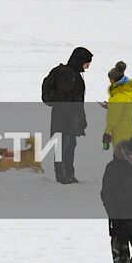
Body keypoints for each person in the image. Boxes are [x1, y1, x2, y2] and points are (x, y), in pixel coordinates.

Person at [42, 46, 93, 184]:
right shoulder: (67, 73)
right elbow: (65, 98)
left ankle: (69, 174)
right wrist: (73, 116)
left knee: (70, 145)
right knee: (63, 146)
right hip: (63, 116)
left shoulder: (75, 74)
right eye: (87, 63)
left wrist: (81, 118)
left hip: (70, 117)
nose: (87, 66)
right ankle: (61, 175)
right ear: (80, 60)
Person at [103, 61, 132, 148]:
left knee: (119, 155)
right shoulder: (127, 91)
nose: (109, 81)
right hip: (127, 128)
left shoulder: (119, 96)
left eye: (111, 79)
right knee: (125, 155)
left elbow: (114, 118)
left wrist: (107, 131)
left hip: (119, 130)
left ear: (116, 81)